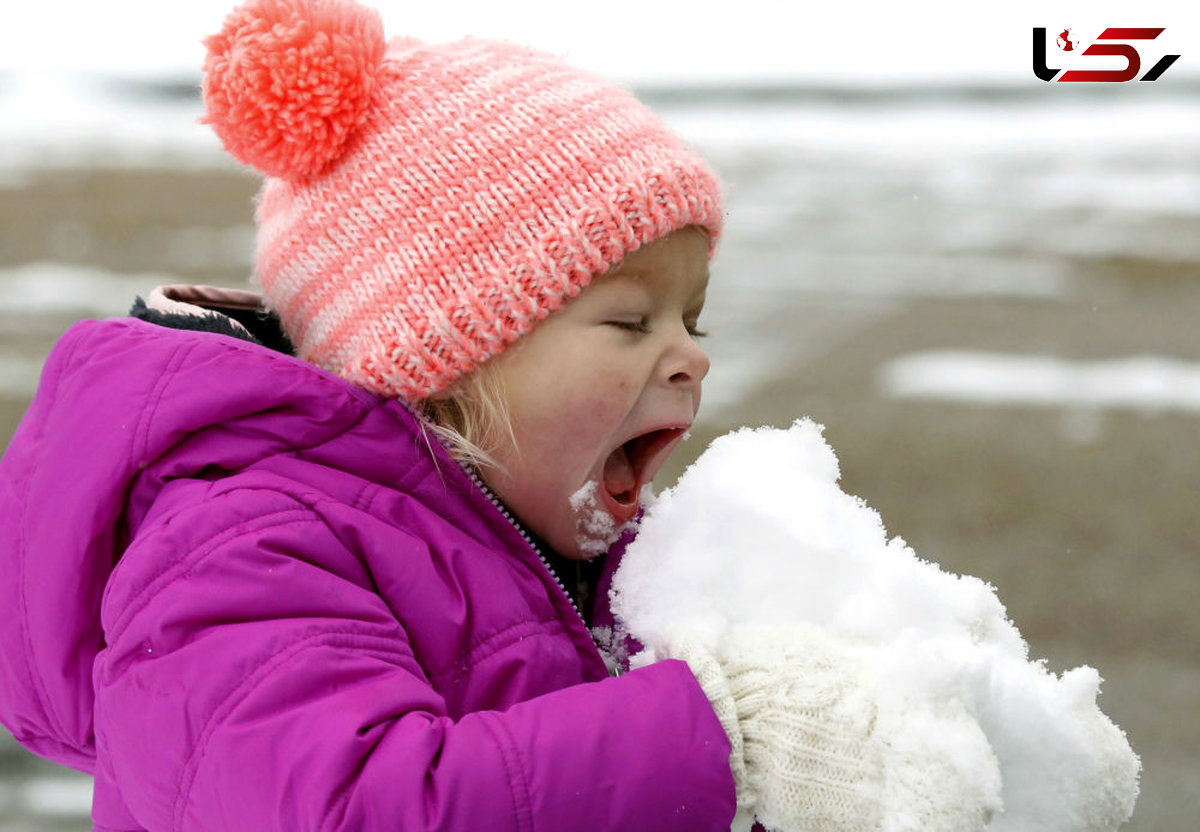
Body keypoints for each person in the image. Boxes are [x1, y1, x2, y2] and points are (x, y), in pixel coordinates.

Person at [0, 1, 990, 830]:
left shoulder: (563, 538)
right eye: (629, 319)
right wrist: (721, 737)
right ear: (446, 356)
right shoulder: (244, 545)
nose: (690, 353)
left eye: (692, 316)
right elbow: (349, 808)